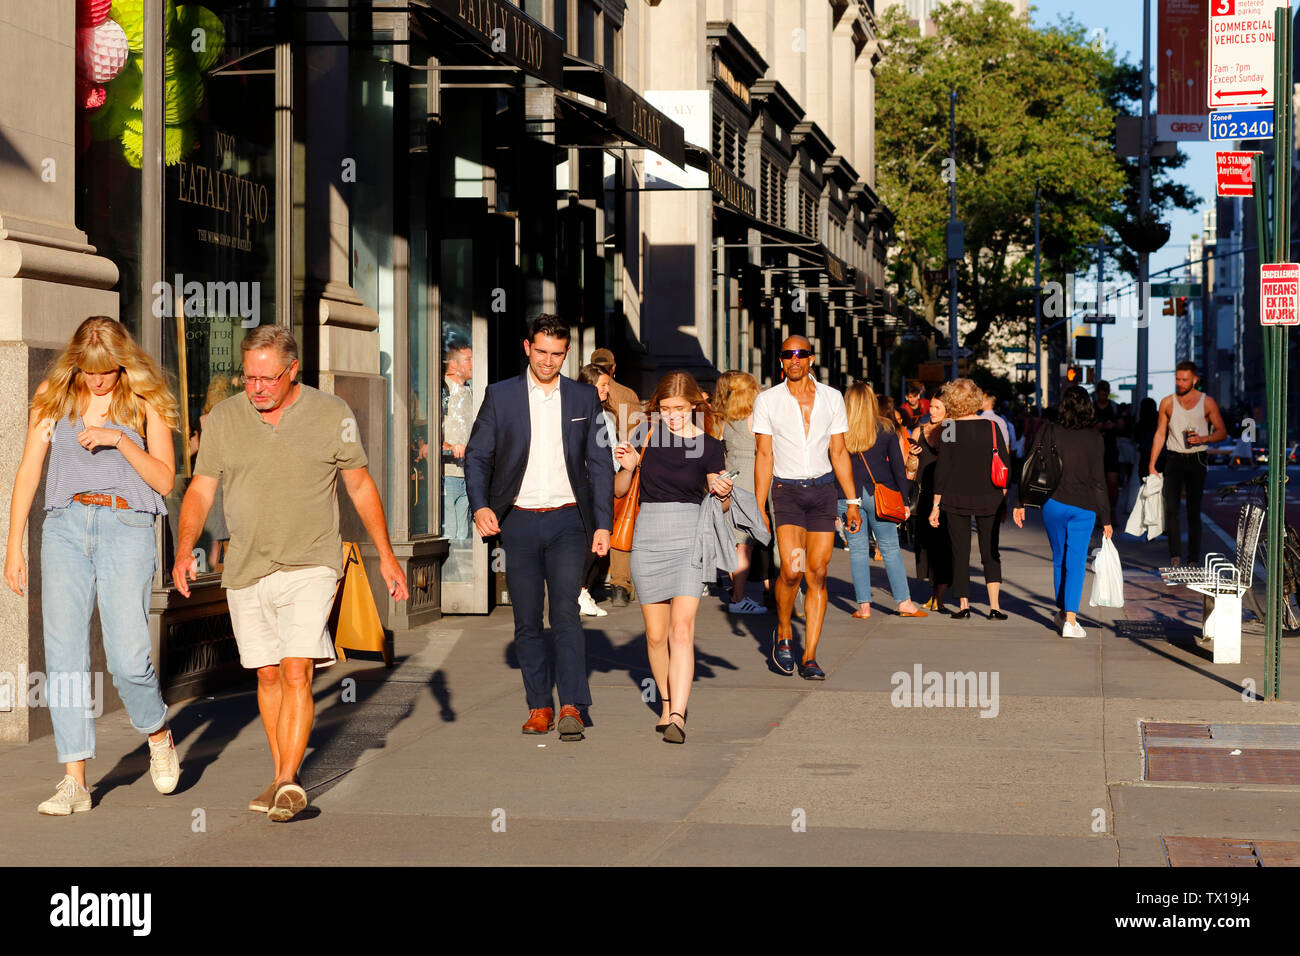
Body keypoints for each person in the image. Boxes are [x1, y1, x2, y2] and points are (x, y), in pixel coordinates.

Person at [173, 325, 410, 822]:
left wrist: (386, 554)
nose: (256, 387)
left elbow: (361, 486)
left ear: (292, 370)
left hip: (311, 561)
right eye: (249, 377)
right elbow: (199, 489)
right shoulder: (223, 418)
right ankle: (282, 775)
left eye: (267, 378)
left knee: (297, 667)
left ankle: (286, 779)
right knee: (266, 672)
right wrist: (183, 548)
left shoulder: (332, 414)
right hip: (246, 567)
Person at [5, 318, 181, 815]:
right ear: (75, 361)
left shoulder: (145, 397)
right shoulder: (54, 394)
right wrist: (13, 543)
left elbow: (165, 480)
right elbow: (29, 468)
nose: (99, 381)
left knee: (128, 658)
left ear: (123, 362)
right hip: (64, 526)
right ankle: (74, 781)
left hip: (126, 527)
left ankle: (158, 733)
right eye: (90, 371)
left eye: (108, 371)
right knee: (63, 656)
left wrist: (118, 440)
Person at [465, 315, 614, 742]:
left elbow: (600, 466)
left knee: (565, 611)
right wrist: (479, 507)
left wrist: (602, 524)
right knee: (527, 618)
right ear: (527, 346)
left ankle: (571, 703)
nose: (549, 361)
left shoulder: (584, 398)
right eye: (542, 351)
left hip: (569, 519)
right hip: (520, 521)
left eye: (558, 353)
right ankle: (539, 706)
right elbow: (477, 457)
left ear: (566, 354)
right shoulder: (501, 396)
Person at [614, 373, 733, 743]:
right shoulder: (645, 435)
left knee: (682, 630)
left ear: (695, 406)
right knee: (655, 635)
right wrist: (629, 466)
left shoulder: (712, 446)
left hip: (690, 538)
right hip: (648, 537)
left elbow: (723, 505)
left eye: (680, 409)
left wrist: (724, 491)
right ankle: (665, 703)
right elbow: (618, 489)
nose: (672, 416)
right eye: (665, 409)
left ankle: (677, 715)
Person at [753, 336, 862, 680]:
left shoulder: (832, 398)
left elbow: (840, 452)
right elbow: (764, 456)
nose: (795, 359)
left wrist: (853, 502)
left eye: (801, 354)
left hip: (822, 493)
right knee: (792, 569)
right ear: (781, 362)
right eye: (788, 354)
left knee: (817, 573)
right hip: (787, 494)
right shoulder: (767, 401)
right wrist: (759, 507)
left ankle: (810, 655)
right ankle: (783, 629)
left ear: (811, 359)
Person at [1013, 386, 1113, 638]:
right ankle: (1070, 618)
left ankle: (1062, 612)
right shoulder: (1095, 438)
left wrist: (1019, 501)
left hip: (1053, 503)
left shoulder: (1049, 430)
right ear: (1088, 407)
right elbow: (1099, 481)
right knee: (1076, 561)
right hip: (1085, 506)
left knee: (1059, 558)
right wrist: (1107, 519)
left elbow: (1029, 464)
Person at [839, 384, 927, 619]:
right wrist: (904, 498)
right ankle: (904, 602)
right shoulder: (885, 427)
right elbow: (898, 465)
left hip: (848, 496)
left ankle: (864, 607)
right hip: (882, 493)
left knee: (857, 550)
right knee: (890, 548)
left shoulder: (838, 428)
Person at [929, 378, 1011, 620]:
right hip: (989, 497)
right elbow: (1005, 464)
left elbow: (943, 469)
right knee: (990, 551)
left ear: (953, 400)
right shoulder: (991, 427)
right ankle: (994, 606)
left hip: (955, 497)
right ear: (976, 399)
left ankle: (964, 605)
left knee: (960, 550)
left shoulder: (951, 427)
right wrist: (1003, 497)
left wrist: (935, 505)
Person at [1148, 361, 1228, 566]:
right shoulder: (1167, 402)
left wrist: (1203, 439)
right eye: (1177, 379)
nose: (1180, 383)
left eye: (1184, 379)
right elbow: (1160, 433)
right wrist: (1152, 464)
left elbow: (1222, 432)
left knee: (1194, 510)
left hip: (1197, 459)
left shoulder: (1207, 402)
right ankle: (1175, 556)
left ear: (1194, 380)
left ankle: (1193, 559)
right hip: (1173, 458)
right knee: (1171, 509)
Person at [711, 370, 769, 614]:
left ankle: (738, 592)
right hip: (752, 477)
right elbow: (764, 452)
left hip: (731, 477)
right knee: (746, 543)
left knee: (737, 540)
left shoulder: (723, 418)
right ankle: (738, 598)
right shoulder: (754, 417)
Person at [590, 347, 641, 608]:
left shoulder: (583, 391)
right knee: (621, 522)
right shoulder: (628, 394)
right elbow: (637, 434)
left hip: (593, 472)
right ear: (614, 367)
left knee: (595, 524)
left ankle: (593, 580)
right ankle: (620, 584)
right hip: (620, 467)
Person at [576, 363, 621, 617]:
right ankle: (580, 591)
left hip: (599, 483)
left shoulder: (607, 415)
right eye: (603, 385)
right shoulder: (591, 416)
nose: (607, 389)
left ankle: (583, 590)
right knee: (591, 542)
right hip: (589, 485)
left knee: (596, 542)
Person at [910, 395, 952, 612]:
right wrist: (911, 456)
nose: (933, 411)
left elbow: (954, 462)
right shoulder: (918, 431)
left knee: (944, 546)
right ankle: (932, 592)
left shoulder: (949, 429)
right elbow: (910, 470)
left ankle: (940, 596)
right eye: (932, 407)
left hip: (945, 494)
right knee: (927, 547)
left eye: (938, 407)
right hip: (924, 494)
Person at [441, 338, 474, 543]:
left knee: (463, 538)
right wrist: (448, 446)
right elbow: (424, 433)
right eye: (467, 359)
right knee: (450, 536)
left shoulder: (469, 391)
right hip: (448, 473)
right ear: (453, 364)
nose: (472, 364)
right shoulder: (441, 391)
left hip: (467, 473)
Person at [1093, 381, 1125, 526]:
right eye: (1101, 391)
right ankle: (1098, 512)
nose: (1103, 394)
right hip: (1094, 450)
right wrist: (1096, 427)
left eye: (1106, 391)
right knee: (1096, 483)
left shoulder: (1114, 407)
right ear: (1097, 392)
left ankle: (1111, 511)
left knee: (1112, 482)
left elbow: (1122, 425)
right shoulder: (1091, 408)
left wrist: (1113, 425)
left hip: (1111, 449)